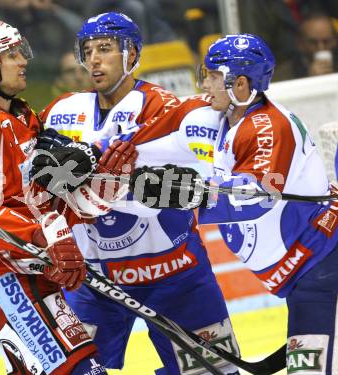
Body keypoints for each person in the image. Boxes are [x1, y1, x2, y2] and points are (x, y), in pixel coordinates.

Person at [32, 12, 240, 375]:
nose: (94, 58)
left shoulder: (170, 110)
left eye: (106, 48)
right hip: (95, 280)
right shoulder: (61, 113)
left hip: (175, 275)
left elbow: (208, 180)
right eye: (88, 50)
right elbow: (36, 182)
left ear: (132, 54)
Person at [130, 33, 338, 374]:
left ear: (240, 84)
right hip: (306, 275)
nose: (205, 83)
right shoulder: (223, 119)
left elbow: (257, 195)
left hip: (325, 267)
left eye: (213, 76)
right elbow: (154, 142)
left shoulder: (267, 126)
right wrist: (101, 155)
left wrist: (190, 192)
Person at [0, 18, 124, 375]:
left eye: (21, 51)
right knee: (83, 369)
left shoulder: (23, 115)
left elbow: (44, 194)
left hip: (37, 269)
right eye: (12, 54)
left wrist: (100, 187)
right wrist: (38, 236)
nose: (23, 60)